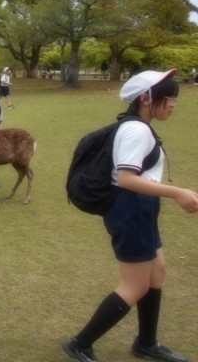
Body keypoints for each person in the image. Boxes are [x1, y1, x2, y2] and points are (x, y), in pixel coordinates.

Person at [63, 69, 198, 362]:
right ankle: (80, 344)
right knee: (135, 285)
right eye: (168, 98)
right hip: (130, 210)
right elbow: (125, 179)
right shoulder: (136, 130)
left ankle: (146, 343)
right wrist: (177, 193)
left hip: (141, 209)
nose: (173, 104)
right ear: (146, 99)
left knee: (156, 272)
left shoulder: (137, 127)